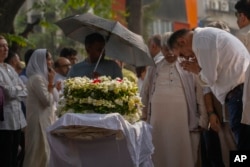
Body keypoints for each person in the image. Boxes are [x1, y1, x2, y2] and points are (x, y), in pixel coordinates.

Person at [167, 27, 250, 150]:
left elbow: (209, 78)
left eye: (182, 54)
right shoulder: (204, 37)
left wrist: (196, 70)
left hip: (238, 94)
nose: (185, 58)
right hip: (239, 92)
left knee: (243, 146)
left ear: (182, 42)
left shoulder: (202, 42)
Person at [141, 32, 207, 167]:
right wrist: (142, 114)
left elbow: (200, 92)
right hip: (158, 119)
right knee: (158, 150)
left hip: (182, 118)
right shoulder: (154, 66)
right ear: (161, 49)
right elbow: (145, 92)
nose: (170, 53)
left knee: (182, 152)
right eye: (166, 49)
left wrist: (203, 117)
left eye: (172, 49)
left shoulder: (188, 63)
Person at [23, 49, 60, 167]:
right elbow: (47, 101)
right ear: (40, 60)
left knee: (46, 153)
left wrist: (51, 82)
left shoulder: (43, 78)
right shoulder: (36, 79)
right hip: (38, 121)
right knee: (36, 154)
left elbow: (56, 97)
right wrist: (50, 83)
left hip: (46, 119)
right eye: (48, 59)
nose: (51, 62)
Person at [0, 35, 27, 167]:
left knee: (15, 156)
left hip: (17, 120)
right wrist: (17, 89)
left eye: (6, 46)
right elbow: (8, 92)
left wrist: (15, 89)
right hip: (4, 121)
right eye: (2, 46)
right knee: (6, 157)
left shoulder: (9, 68)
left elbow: (24, 90)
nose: (5, 48)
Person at [140, 34, 164, 122]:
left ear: (153, 46)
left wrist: (142, 114)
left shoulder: (154, 65)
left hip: (154, 113)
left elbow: (145, 90)